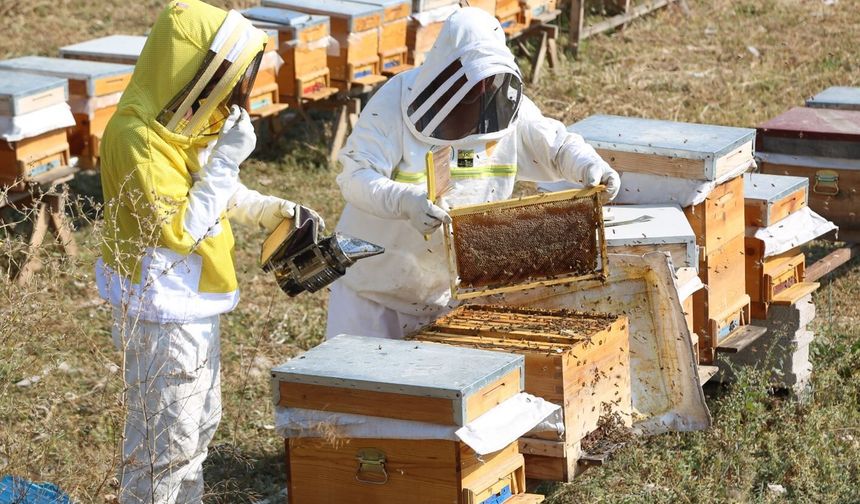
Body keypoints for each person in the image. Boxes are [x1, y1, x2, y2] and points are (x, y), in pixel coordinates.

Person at [95, 1, 322, 502]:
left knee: (197, 430)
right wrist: (227, 159)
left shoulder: (183, 123)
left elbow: (220, 193)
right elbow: (182, 227)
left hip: (194, 301)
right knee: (163, 447)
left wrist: (273, 209)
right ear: (195, 67)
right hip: (163, 310)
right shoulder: (135, 137)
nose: (235, 93)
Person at [326, 7, 620, 341]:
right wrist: (404, 201)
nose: (474, 101)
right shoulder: (391, 104)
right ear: (444, 72)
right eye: (466, 91)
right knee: (361, 391)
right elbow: (355, 176)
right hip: (372, 295)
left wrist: (589, 166)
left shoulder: (508, 108)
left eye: (483, 89)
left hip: (449, 295)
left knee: (433, 391)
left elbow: (555, 145)